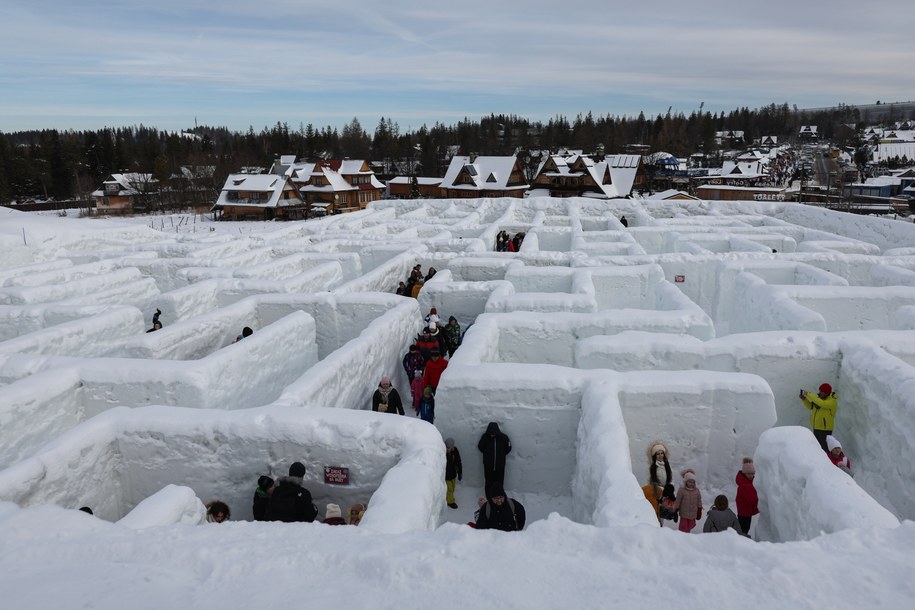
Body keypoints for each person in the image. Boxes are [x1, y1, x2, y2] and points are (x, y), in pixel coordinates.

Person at [800, 382, 837, 451]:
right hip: (816, 427)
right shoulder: (819, 399)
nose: (820, 392)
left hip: (825, 430)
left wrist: (808, 394)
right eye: (820, 390)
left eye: (821, 391)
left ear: (827, 393)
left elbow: (822, 404)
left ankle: (828, 461)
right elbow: (811, 407)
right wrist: (804, 399)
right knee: (817, 448)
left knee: (825, 449)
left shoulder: (832, 401)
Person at [478, 422, 511, 496]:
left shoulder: (504, 437)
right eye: (490, 433)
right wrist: (487, 455)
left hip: (500, 465)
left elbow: (508, 448)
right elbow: (480, 447)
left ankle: (499, 497)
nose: (492, 434)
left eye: (493, 433)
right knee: (488, 482)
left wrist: (501, 455)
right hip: (488, 465)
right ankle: (489, 497)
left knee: (499, 482)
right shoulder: (485, 437)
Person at [735, 458, 759, 537]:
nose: (751, 476)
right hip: (745, 512)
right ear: (744, 473)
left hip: (745, 511)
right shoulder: (745, 485)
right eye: (749, 474)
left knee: (743, 528)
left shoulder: (747, 483)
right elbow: (753, 499)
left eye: (752, 474)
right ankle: (741, 541)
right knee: (744, 529)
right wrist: (762, 505)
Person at [674, 468, 702, 533]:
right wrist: (676, 509)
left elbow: (699, 500)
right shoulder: (682, 490)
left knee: (690, 525)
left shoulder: (696, 491)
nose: (691, 483)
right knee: (683, 527)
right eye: (689, 482)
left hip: (693, 513)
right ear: (685, 482)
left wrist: (699, 509)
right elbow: (678, 500)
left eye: (693, 482)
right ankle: (682, 536)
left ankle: (687, 534)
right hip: (684, 513)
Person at [445, 438, 463, 509]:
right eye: (448, 448)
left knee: (452, 488)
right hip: (446, 476)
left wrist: (460, 472)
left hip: (453, 474)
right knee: (449, 489)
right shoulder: (442, 453)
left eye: (450, 447)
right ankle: (450, 502)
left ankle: (448, 498)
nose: (449, 449)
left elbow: (458, 462)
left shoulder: (454, 451)